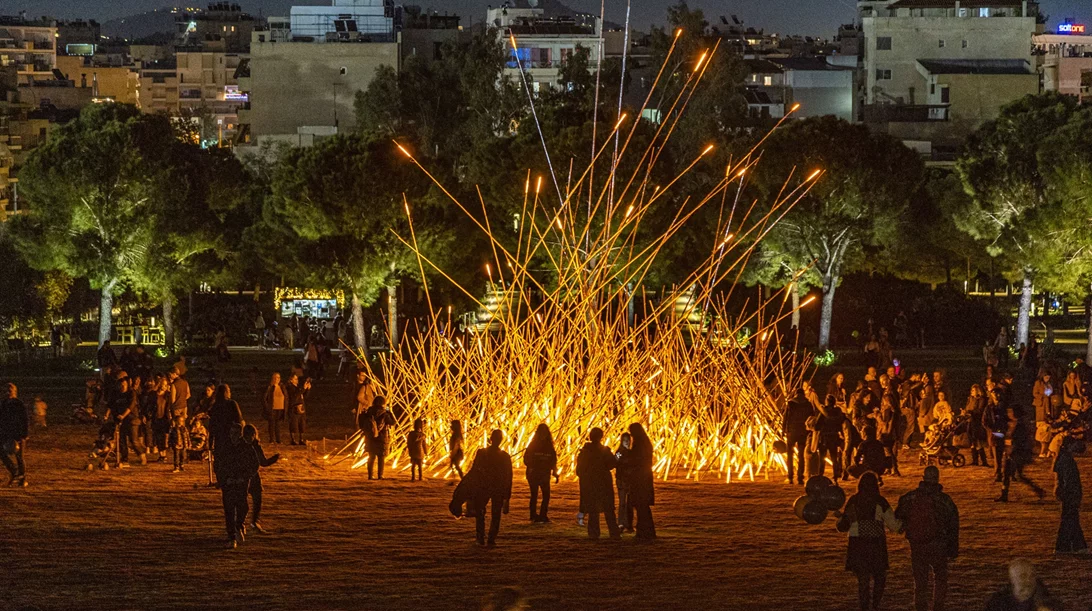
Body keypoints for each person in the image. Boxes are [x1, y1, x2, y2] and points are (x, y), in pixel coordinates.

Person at [894, 466, 959, 611]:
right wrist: (953, 548)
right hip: (938, 543)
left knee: (920, 581)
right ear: (937, 479)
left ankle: (921, 607)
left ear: (923, 478)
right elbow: (953, 523)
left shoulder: (910, 497)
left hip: (917, 544)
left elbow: (898, 514)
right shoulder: (945, 500)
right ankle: (938, 606)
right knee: (940, 577)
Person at [836, 472, 901, 611]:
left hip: (857, 544)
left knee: (863, 580)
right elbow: (894, 525)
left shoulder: (853, 501)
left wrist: (840, 518)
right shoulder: (880, 502)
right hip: (875, 544)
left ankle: (864, 607)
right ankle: (875, 605)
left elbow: (843, 526)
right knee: (880, 577)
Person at [466, 429, 513, 547]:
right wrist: (507, 497)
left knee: (480, 512)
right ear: (501, 440)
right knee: (495, 514)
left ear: (490, 439)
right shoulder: (505, 456)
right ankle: (491, 539)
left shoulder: (482, 453)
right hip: (497, 488)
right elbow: (508, 477)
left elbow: (474, 470)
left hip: (483, 486)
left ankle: (480, 538)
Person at [217, 423, 260, 549]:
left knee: (243, 507)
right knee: (229, 510)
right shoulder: (225, 448)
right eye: (231, 433)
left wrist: (245, 477)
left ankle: (238, 525)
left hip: (242, 483)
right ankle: (231, 536)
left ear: (240, 434)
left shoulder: (247, 448)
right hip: (229, 484)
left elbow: (254, 465)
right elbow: (219, 465)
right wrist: (224, 479)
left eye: (236, 433)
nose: (233, 436)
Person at [577, 427, 621, 540]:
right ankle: (614, 532)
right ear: (601, 437)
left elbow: (579, 470)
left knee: (593, 510)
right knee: (608, 509)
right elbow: (612, 464)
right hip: (603, 483)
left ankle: (594, 533)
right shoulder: (605, 451)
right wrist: (619, 455)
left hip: (590, 483)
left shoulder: (584, 452)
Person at [1053, 434, 1087, 554]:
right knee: (1070, 520)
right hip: (1070, 494)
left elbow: (1058, 476)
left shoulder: (1061, 458)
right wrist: (1072, 496)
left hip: (1067, 494)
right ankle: (1071, 546)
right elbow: (1069, 480)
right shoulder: (1067, 460)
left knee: (1070, 519)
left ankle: (1068, 546)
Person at [242, 424, 280, 534]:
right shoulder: (247, 446)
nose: (250, 437)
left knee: (255, 501)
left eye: (251, 435)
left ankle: (253, 523)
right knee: (246, 502)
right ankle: (243, 524)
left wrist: (273, 459)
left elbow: (263, 462)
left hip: (251, 477)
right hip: (246, 477)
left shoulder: (254, 446)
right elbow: (263, 462)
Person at [985, 559, 1062, 611]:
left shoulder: (1049, 605)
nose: (1028, 580)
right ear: (1012, 579)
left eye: (1032, 576)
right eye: (1023, 576)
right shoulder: (997, 603)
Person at [106, 376, 147, 467]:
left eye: (124, 384)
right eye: (121, 384)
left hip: (132, 419)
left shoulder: (131, 393)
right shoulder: (116, 394)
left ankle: (142, 456)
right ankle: (124, 459)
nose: (122, 386)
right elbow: (111, 405)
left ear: (127, 384)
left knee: (134, 440)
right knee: (121, 440)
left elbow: (130, 406)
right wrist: (107, 414)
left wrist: (123, 415)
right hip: (121, 421)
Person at [524, 423, 558, 523]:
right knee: (534, 494)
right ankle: (533, 514)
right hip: (534, 473)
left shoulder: (549, 446)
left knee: (546, 495)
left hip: (544, 474)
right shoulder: (533, 445)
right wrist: (532, 466)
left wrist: (555, 472)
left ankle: (543, 514)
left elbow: (553, 461)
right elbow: (526, 459)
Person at [627, 422, 657, 540]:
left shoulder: (639, 444)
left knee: (640, 504)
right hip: (644, 476)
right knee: (642, 505)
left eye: (632, 432)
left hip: (640, 477)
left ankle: (644, 532)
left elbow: (635, 459)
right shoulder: (644, 442)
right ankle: (646, 531)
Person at [0, 383, 29, 487]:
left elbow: (25, 420)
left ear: (14, 392)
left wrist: (24, 435)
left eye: (10, 391)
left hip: (18, 434)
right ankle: (13, 470)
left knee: (19, 456)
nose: (8, 393)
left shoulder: (19, 404)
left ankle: (22, 477)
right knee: (1, 453)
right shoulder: (3, 404)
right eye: (6, 391)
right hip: (6, 434)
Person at [783, 389, 814, 485]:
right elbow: (811, 418)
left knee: (790, 454)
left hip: (792, 431)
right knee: (801, 455)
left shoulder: (790, 404)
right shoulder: (808, 404)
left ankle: (790, 476)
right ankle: (800, 477)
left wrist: (784, 430)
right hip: (803, 431)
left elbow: (786, 418)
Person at [361, 396, 396, 480]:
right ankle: (380, 475)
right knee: (381, 457)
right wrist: (390, 412)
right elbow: (393, 422)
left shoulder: (369, 412)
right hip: (381, 437)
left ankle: (370, 475)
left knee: (371, 457)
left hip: (370, 437)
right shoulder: (384, 414)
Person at [208, 384, 243, 460]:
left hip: (219, 435)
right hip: (230, 434)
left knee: (221, 458)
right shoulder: (232, 404)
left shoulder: (215, 406)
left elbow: (212, 424)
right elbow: (239, 419)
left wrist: (210, 441)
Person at [817, 395, 846, 480]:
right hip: (834, 436)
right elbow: (840, 423)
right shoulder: (838, 412)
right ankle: (836, 474)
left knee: (822, 457)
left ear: (827, 401)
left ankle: (820, 474)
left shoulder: (823, 411)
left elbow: (817, 425)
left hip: (824, 437)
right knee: (834, 457)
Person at [965, 384, 990, 468]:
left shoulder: (981, 399)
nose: (971, 392)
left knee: (978, 441)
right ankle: (975, 460)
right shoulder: (970, 399)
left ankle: (984, 461)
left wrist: (971, 412)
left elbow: (980, 410)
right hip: (970, 421)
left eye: (973, 390)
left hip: (977, 422)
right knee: (972, 440)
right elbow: (967, 407)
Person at [615, 432, 635, 532]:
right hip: (622, 481)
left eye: (628, 440)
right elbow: (615, 463)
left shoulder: (631, 453)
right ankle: (621, 524)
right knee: (622, 503)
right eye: (625, 440)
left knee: (630, 504)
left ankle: (628, 524)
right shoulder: (619, 453)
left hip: (630, 481)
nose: (627, 442)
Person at [284, 373, 311, 446]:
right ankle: (293, 439)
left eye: (297, 379)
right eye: (295, 379)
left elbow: (303, 396)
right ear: (291, 380)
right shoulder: (290, 387)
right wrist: (303, 389)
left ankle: (301, 439)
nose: (297, 380)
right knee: (294, 424)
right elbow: (295, 396)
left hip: (301, 407)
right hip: (294, 408)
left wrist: (307, 389)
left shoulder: (298, 387)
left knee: (301, 424)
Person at [262, 373, 286, 444]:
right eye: (275, 378)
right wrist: (267, 407)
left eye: (278, 378)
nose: (276, 379)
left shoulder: (282, 386)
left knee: (278, 425)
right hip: (272, 408)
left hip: (280, 408)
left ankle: (278, 439)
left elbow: (286, 396)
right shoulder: (269, 387)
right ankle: (272, 439)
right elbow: (264, 398)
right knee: (272, 424)